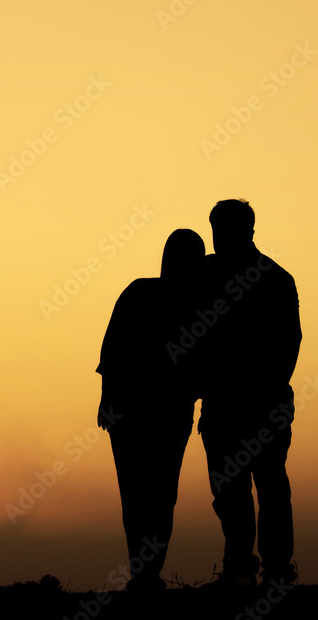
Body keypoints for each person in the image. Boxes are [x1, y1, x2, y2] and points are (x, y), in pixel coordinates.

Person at [196, 199, 302, 588]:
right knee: (272, 485)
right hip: (269, 400)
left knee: (231, 490)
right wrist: (272, 386)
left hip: (224, 402)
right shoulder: (278, 277)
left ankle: (240, 568)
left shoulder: (204, 273)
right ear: (252, 229)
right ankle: (276, 570)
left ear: (217, 230)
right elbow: (291, 339)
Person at [96, 228, 206, 593]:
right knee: (148, 496)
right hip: (136, 414)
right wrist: (107, 399)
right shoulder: (143, 293)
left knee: (153, 496)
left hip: (162, 414)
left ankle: (146, 576)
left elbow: (204, 366)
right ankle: (143, 576)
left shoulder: (196, 303)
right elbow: (111, 353)